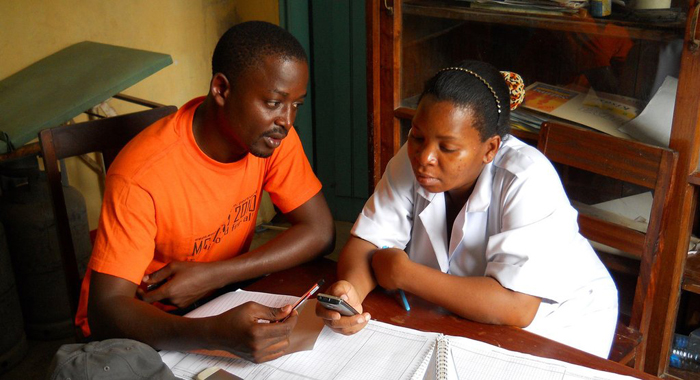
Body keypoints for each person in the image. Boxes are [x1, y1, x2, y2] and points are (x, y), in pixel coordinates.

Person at [317, 60, 618, 358]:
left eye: (447, 148)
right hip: (464, 314)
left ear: (490, 149)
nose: (425, 157)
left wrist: (404, 273)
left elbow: (518, 307)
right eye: (417, 137)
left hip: (559, 322)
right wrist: (350, 291)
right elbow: (366, 242)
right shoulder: (411, 162)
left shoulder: (526, 178)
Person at [76, 21, 335, 363]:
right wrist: (214, 334)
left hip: (220, 297)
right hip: (142, 327)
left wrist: (217, 273)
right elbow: (106, 312)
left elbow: (321, 231)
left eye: (296, 105)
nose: (287, 121)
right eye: (274, 102)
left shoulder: (271, 140)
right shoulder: (141, 174)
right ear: (222, 89)